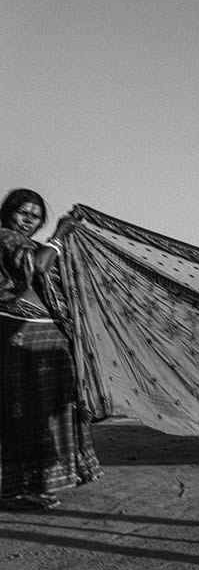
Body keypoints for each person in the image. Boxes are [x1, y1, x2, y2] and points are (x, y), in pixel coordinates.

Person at [1, 189, 102, 510]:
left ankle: (35, 484)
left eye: (35, 215)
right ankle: (23, 485)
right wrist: (59, 233)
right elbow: (38, 266)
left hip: (49, 339)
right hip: (22, 339)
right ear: (8, 213)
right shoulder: (5, 238)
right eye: (23, 212)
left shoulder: (34, 244)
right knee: (25, 415)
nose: (29, 219)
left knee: (46, 413)